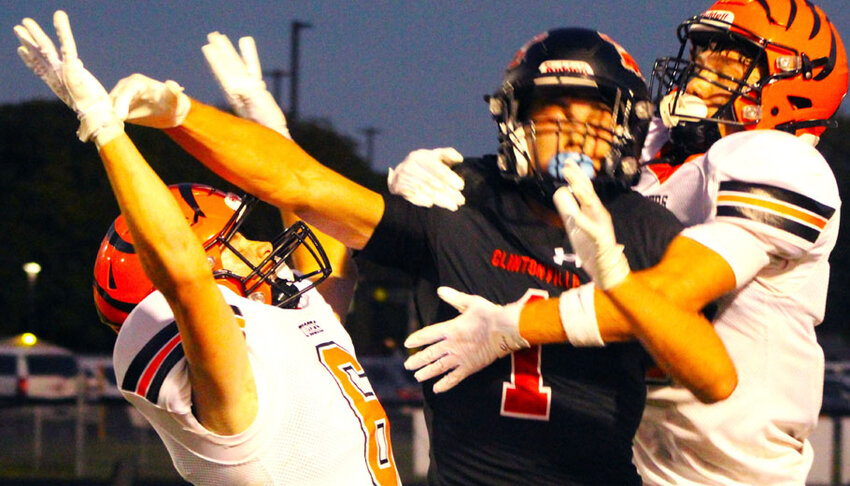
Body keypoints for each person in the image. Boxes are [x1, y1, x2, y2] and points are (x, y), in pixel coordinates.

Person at [103, 25, 720, 483]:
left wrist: (613, 275)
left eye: (594, 115)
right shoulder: (458, 199)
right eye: (550, 114)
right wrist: (182, 115)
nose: (571, 133)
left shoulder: (642, 229)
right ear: (514, 120)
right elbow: (304, 185)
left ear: (628, 124)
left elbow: (709, 374)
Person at [401, 0, 848, 484]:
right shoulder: (655, 147)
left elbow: (668, 296)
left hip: (726, 475)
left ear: (792, 85)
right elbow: (539, 175)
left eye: (728, 64)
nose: (698, 78)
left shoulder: (780, 161)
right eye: (700, 58)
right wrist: (451, 178)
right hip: (626, 461)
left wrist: (513, 325)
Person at [14, 12, 401, 485]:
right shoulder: (226, 388)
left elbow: (326, 240)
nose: (260, 245)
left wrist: (270, 131)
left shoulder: (286, 319)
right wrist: (104, 127)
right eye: (234, 241)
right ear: (209, 276)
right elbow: (185, 277)